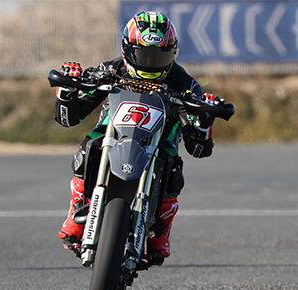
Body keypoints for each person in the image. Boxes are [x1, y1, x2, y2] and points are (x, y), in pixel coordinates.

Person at [53, 11, 223, 265]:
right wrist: (68, 89)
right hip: (114, 130)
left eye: (159, 57)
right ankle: (77, 208)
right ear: (127, 50)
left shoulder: (184, 83)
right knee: (89, 147)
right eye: (143, 55)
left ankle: (160, 231)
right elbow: (68, 118)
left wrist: (205, 119)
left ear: (172, 54)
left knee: (173, 166)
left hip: (161, 136)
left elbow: (198, 149)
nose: (150, 62)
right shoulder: (110, 69)